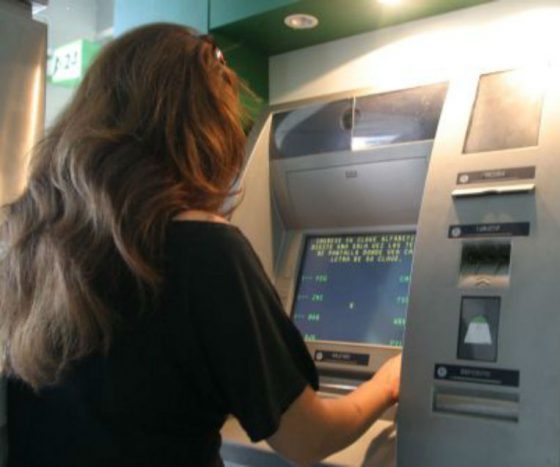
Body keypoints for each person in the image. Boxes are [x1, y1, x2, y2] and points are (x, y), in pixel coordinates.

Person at [0, 23, 401, 467]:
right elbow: (308, 439)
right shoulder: (205, 250)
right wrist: (387, 382)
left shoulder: (27, 244)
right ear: (203, 133)